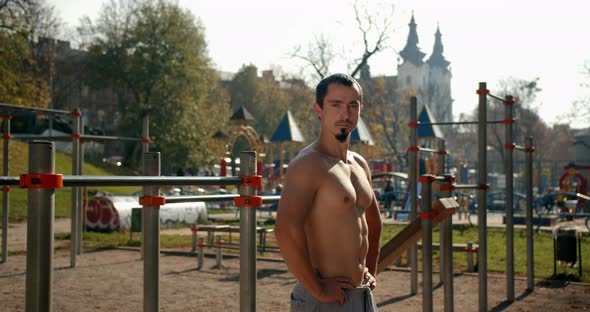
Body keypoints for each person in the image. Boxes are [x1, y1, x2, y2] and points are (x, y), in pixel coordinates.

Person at [275, 73, 382, 311]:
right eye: (336, 105)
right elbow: (285, 230)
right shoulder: (308, 164)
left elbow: (374, 222)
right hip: (324, 297)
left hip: (361, 295)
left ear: (360, 110)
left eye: (352, 105)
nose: (345, 114)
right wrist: (318, 289)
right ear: (319, 109)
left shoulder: (360, 164)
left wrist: (371, 269)